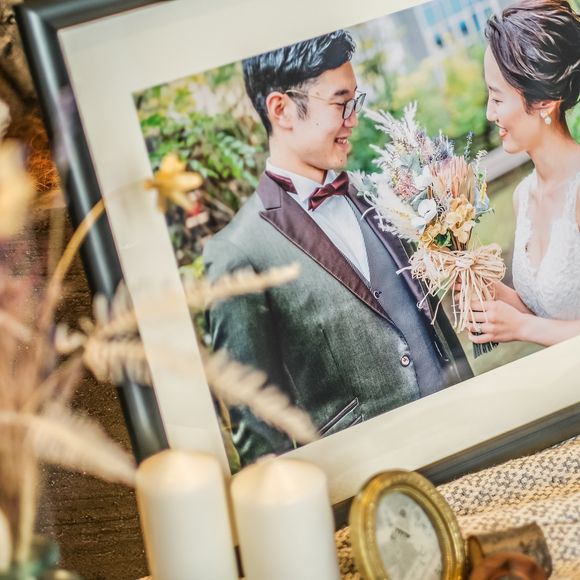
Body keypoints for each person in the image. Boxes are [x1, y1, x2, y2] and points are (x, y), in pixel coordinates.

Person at [203, 30, 472, 465]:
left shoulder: (376, 192)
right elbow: (262, 449)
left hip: (468, 435)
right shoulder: (237, 253)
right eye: (340, 103)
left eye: (355, 101)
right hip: (370, 480)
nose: (354, 118)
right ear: (281, 109)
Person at [468, 0, 580, 348]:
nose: (489, 114)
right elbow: (549, 312)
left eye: (498, 98)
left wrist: (521, 327)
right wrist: (493, 291)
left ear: (545, 101)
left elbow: (534, 325)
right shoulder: (523, 197)